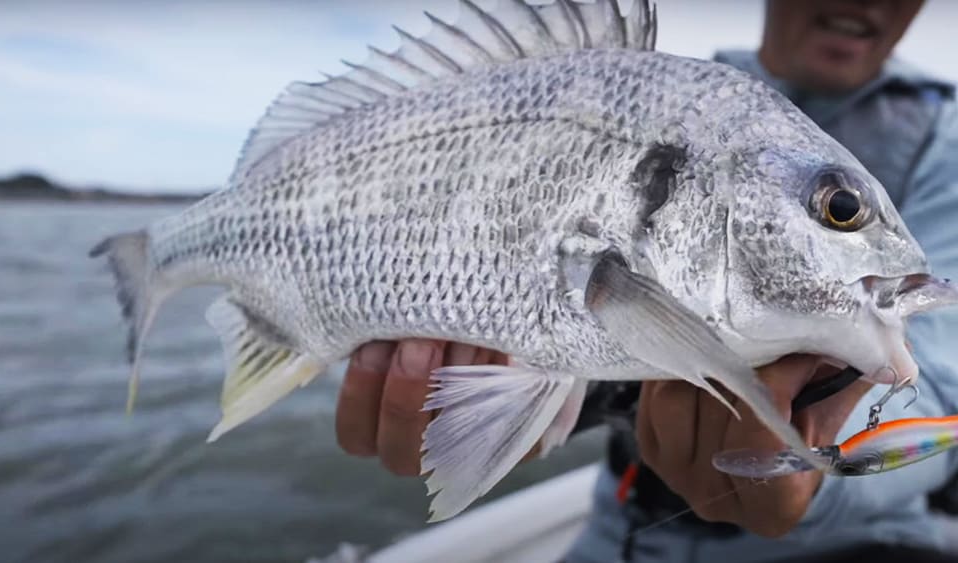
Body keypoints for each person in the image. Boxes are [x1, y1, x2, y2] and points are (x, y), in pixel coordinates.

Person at [334, 0, 958, 561]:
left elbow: (938, 387)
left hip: (864, 544)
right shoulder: (676, 95)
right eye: (839, 210)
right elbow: (579, 293)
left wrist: (815, 469)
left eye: (839, 210)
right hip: (623, 532)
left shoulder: (944, 140)